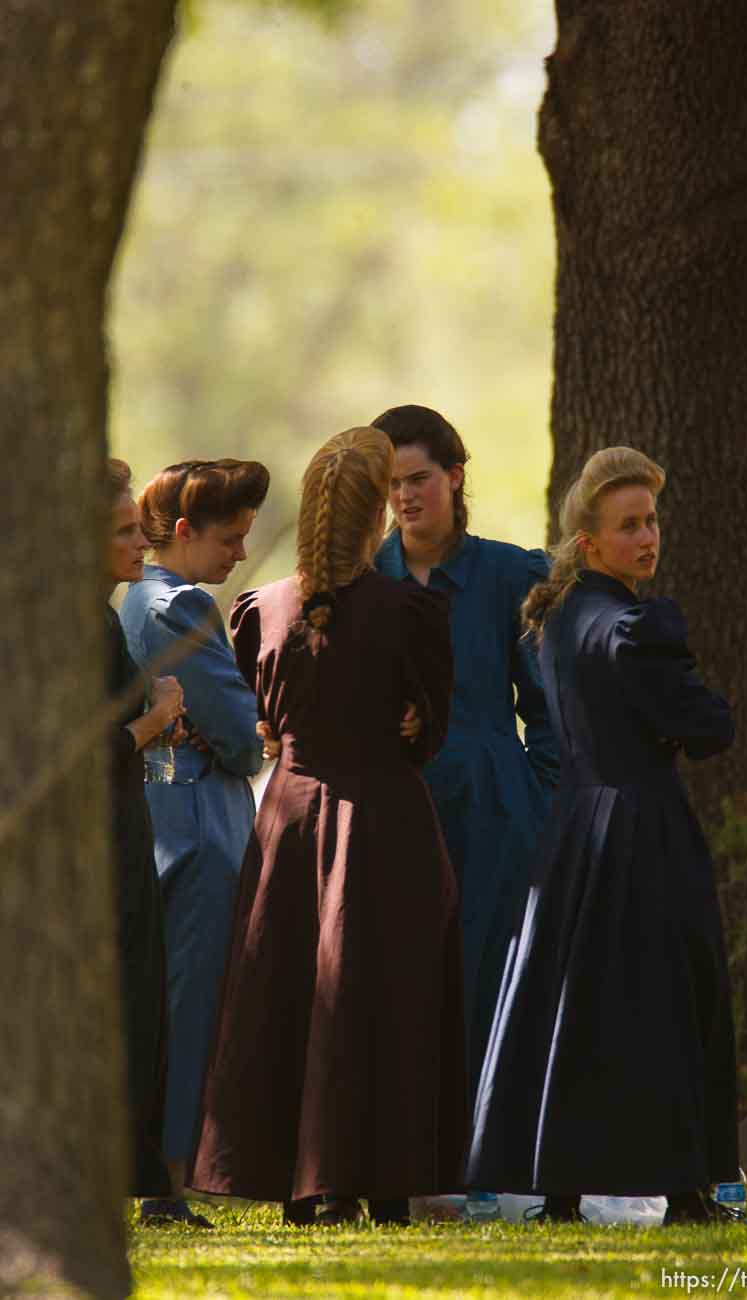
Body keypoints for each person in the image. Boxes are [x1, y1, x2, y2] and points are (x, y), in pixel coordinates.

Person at [190, 427, 466, 1227]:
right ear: (375, 511)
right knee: (385, 994)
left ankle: (298, 1178)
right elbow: (432, 731)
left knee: (286, 991)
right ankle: (382, 1179)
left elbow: (261, 714)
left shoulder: (258, 607)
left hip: (289, 817)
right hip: (382, 817)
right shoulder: (412, 610)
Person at [466, 446, 740, 1225]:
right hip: (642, 826)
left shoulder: (557, 619)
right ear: (589, 543)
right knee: (666, 999)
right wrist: (706, 714)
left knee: (572, 1004)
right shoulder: (631, 626)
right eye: (629, 526)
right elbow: (706, 726)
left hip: (576, 828)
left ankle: (559, 1191)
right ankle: (685, 1192)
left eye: (651, 521)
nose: (647, 537)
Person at [372, 405, 559, 1118]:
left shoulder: (512, 574)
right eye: (390, 485)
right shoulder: (364, 582)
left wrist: (533, 794)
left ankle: (485, 1149)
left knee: (487, 973)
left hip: (493, 806)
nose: (405, 497)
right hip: (394, 803)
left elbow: (547, 708)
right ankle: (401, 1146)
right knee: (398, 973)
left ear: (454, 476)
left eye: (418, 478)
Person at [120, 458, 270, 1226]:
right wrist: (255, 727)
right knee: (189, 1007)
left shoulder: (136, 602)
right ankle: (167, 1183)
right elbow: (243, 739)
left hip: (168, 812)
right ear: (184, 532)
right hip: (197, 824)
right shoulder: (177, 606)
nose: (239, 554)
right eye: (230, 537)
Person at [105, 459, 183, 1200]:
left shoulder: (99, 614)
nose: (141, 542)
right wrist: (153, 720)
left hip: (127, 830)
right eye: (126, 530)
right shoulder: (66, 626)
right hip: (96, 849)